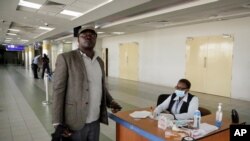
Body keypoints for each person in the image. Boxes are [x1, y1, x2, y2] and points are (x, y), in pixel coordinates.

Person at [52, 26, 122, 141]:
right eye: (84, 35)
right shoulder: (66, 58)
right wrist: (57, 122)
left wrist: (111, 101)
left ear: (95, 39)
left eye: (92, 35)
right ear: (78, 40)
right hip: (74, 122)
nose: (88, 37)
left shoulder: (99, 62)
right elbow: (58, 91)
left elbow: (100, 86)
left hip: (95, 120)